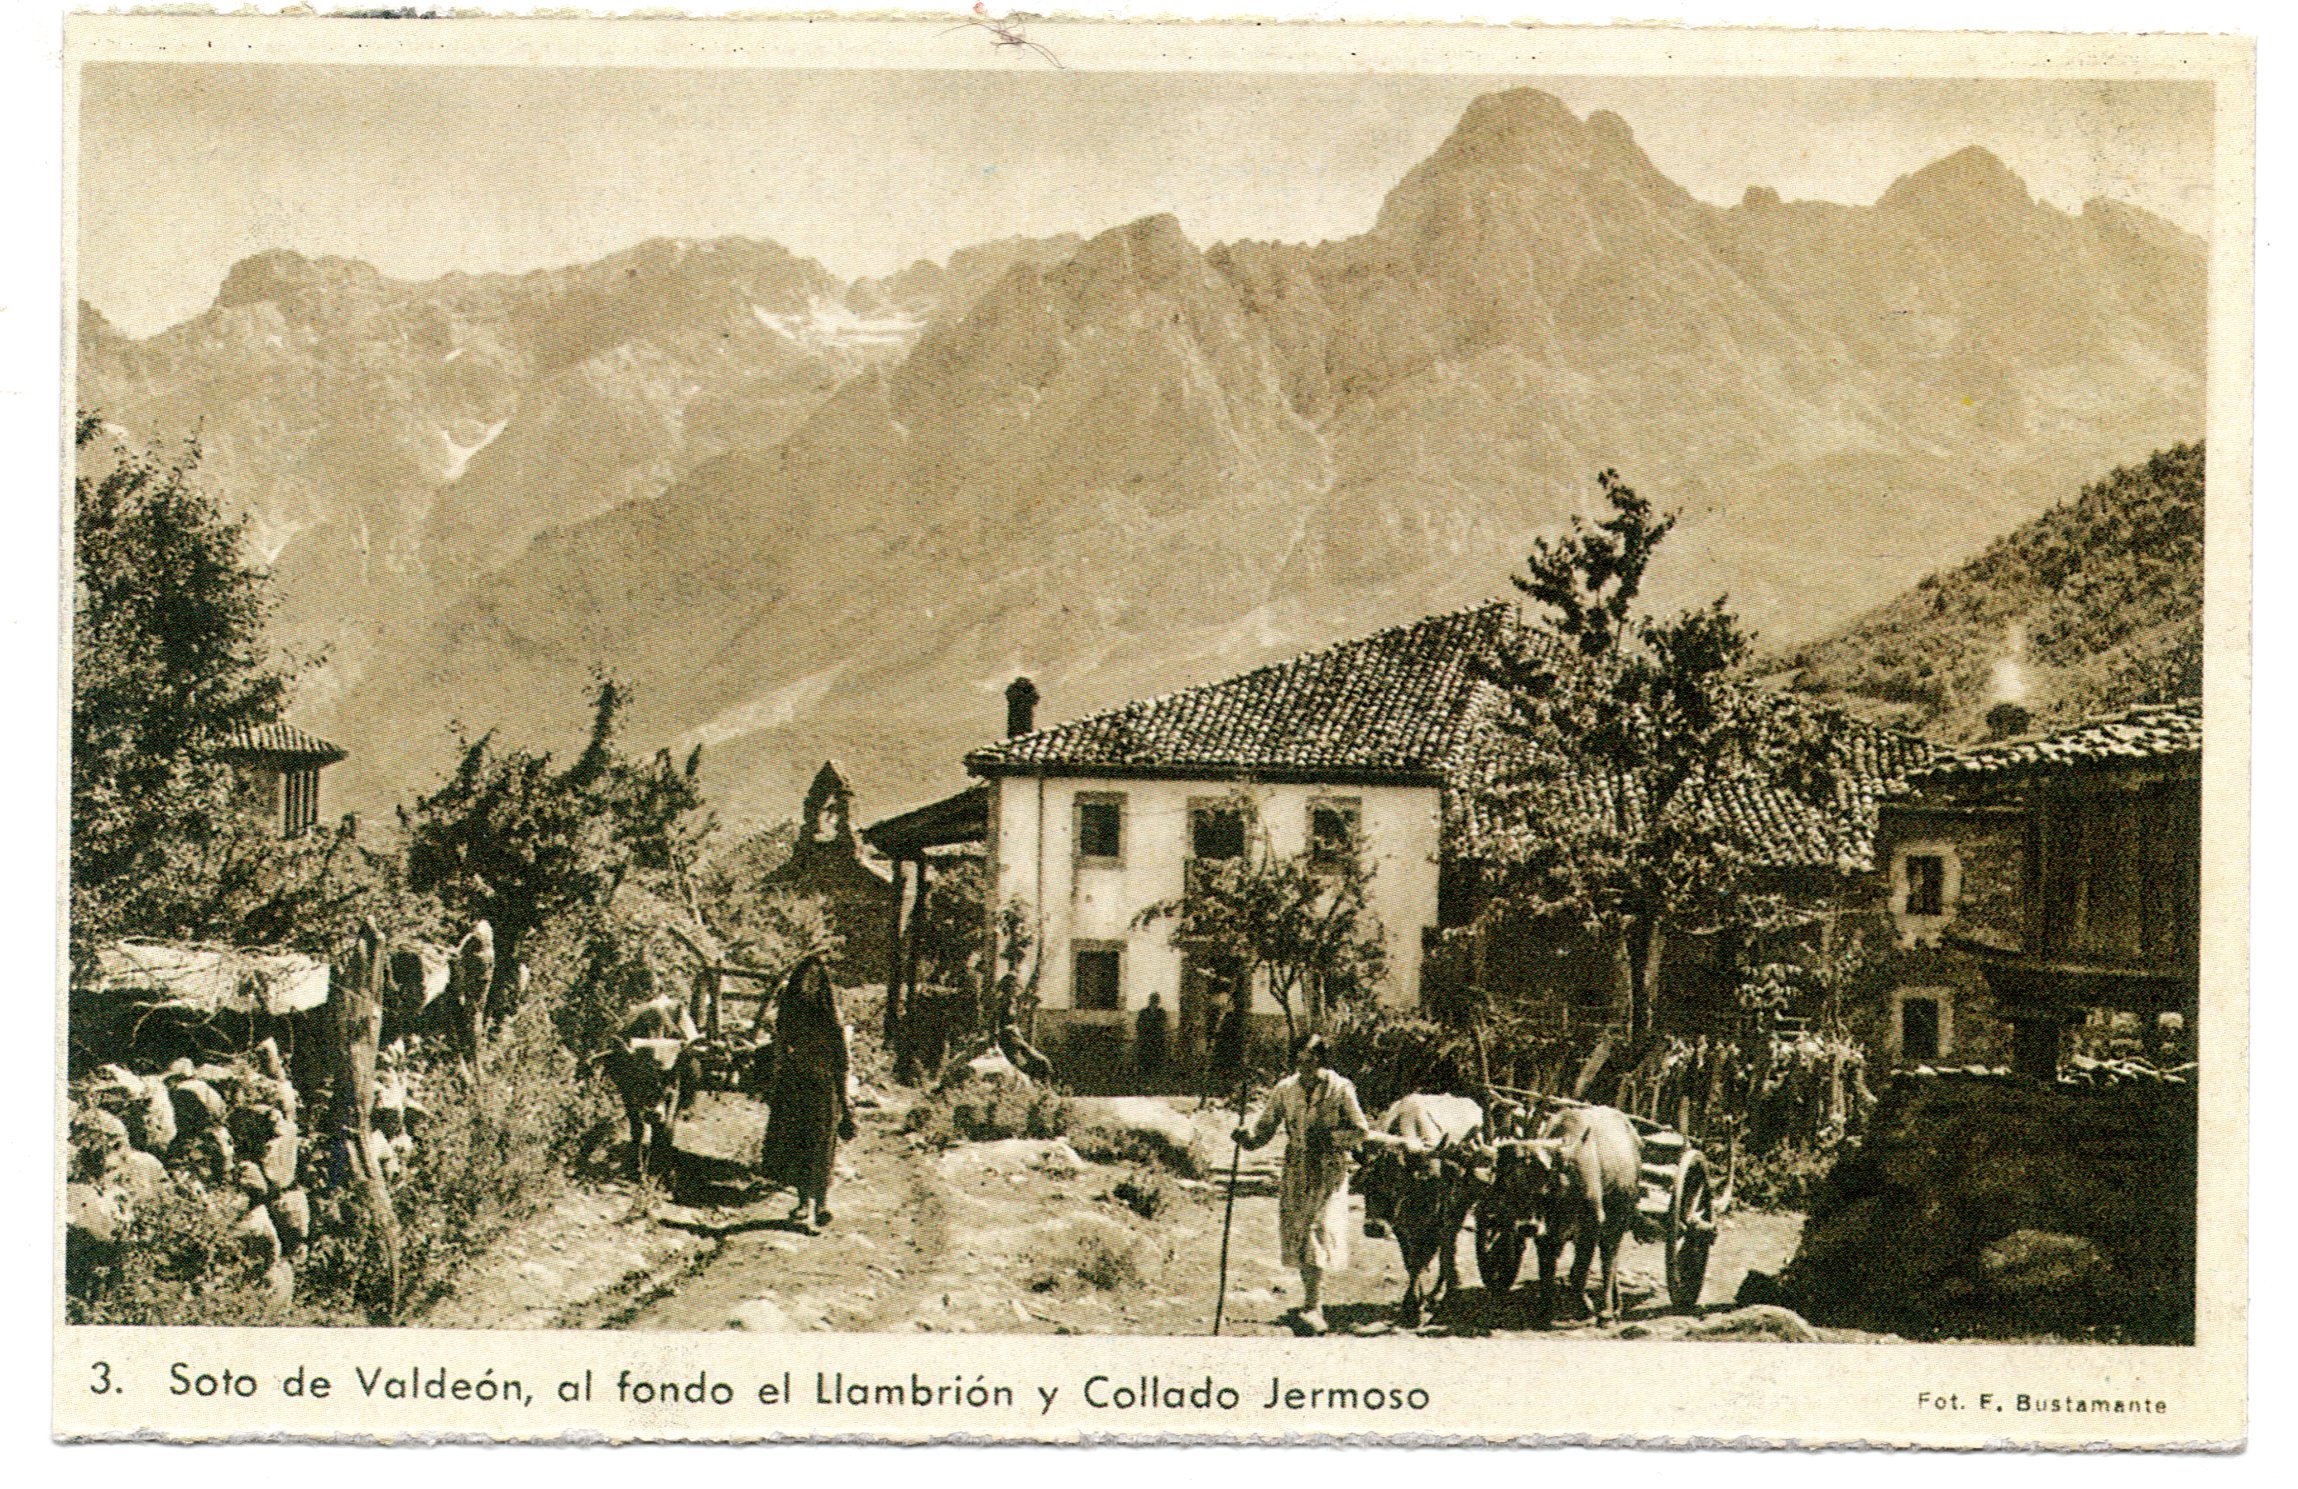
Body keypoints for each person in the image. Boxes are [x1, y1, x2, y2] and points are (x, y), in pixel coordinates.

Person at [1233, 1032, 1369, 1336]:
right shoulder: (1285, 1089)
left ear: (1322, 1059)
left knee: (1317, 1229)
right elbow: (1264, 1129)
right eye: (1300, 1059)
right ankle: (1311, 1301)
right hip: (1296, 1168)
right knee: (1301, 1232)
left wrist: (1331, 1138)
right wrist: (1246, 1138)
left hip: (1330, 1169)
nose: (1306, 1065)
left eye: (1312, 1059)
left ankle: (1313, 1306)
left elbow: (1361, 1130)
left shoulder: (1340, 1088)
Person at [757, 956, 854, 1233]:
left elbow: (841, 1060)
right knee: (802, 1143)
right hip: (797, 1084)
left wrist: (844, 1098)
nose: (807, 987)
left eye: (813, 981)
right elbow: (780, 1048)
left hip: (820, 1085)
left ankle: (819, 1204)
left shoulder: (828, 1017)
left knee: (819, 1145)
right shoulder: (791, 1014)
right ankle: (805, 1203)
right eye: (804, 981)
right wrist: (776, 1078)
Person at [1134, 991, 1170, 1094]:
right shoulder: (1143, 1012)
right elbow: (1139, 1025)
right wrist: (1145, 1032)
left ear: (1158, 1001)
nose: (1154, 1001)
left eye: (1156, 999)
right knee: (1144, 1064)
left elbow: (1162, 1025)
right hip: (1145, 1041)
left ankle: (1155, 1086)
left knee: (1157, 1063)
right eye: (1153, 999)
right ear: (1149, 1000)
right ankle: (1143, 1086)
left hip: (1157, 1042)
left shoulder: (1161, 1012)